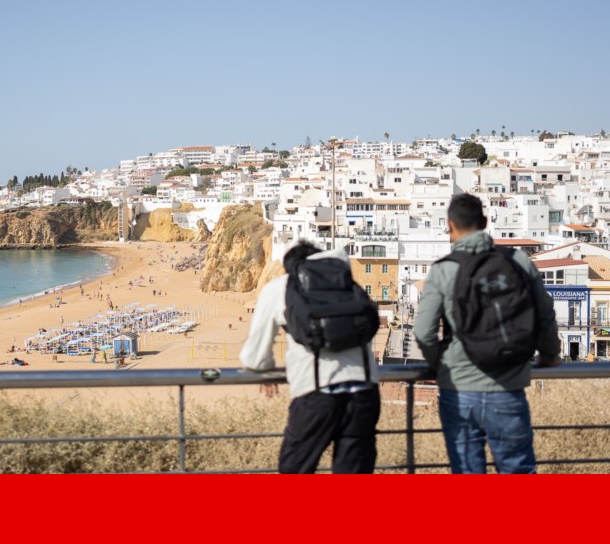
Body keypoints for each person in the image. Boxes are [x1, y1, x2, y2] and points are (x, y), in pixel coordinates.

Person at [413, 193, 560, 474]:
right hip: (508, 386)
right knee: (518, 470)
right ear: (485, 222)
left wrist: (440, 366)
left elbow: (423, 331)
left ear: (450, 226)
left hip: (459, 389)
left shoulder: (444, 270)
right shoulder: (518, 260)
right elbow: (545, 313)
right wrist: (550, 355)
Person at [240, 240, 381, 474]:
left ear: (290, 267)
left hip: (316, 396)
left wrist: (266, 370)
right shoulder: (347, 283)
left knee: (294, 470)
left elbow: (254, 356)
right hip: (364, 394)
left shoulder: (281, 287)